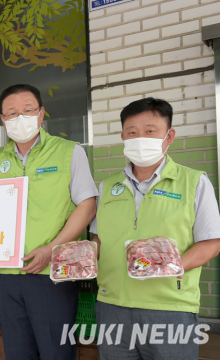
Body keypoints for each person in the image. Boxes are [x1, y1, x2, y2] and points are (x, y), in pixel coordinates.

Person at [90, 98, 220, 360]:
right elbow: (98, 240)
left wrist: (168, 266)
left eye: (150, 131)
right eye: (132, 132)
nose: (141, 138)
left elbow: (211, 243)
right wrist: (78, 257)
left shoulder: (195, 183)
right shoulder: (107, 187)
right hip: (112, 306)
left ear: (169, 136)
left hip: (169, 307)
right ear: (123, 137)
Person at [0, 84, 98, 359]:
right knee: (17, 352)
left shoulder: (69, 152)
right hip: (7, 277)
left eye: (27, 110)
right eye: (11, 113)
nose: (20, 118)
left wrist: (53, 249)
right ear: (3, 120)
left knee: (55, 352)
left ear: (41, 114)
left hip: (52, 274)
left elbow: (87, 206)